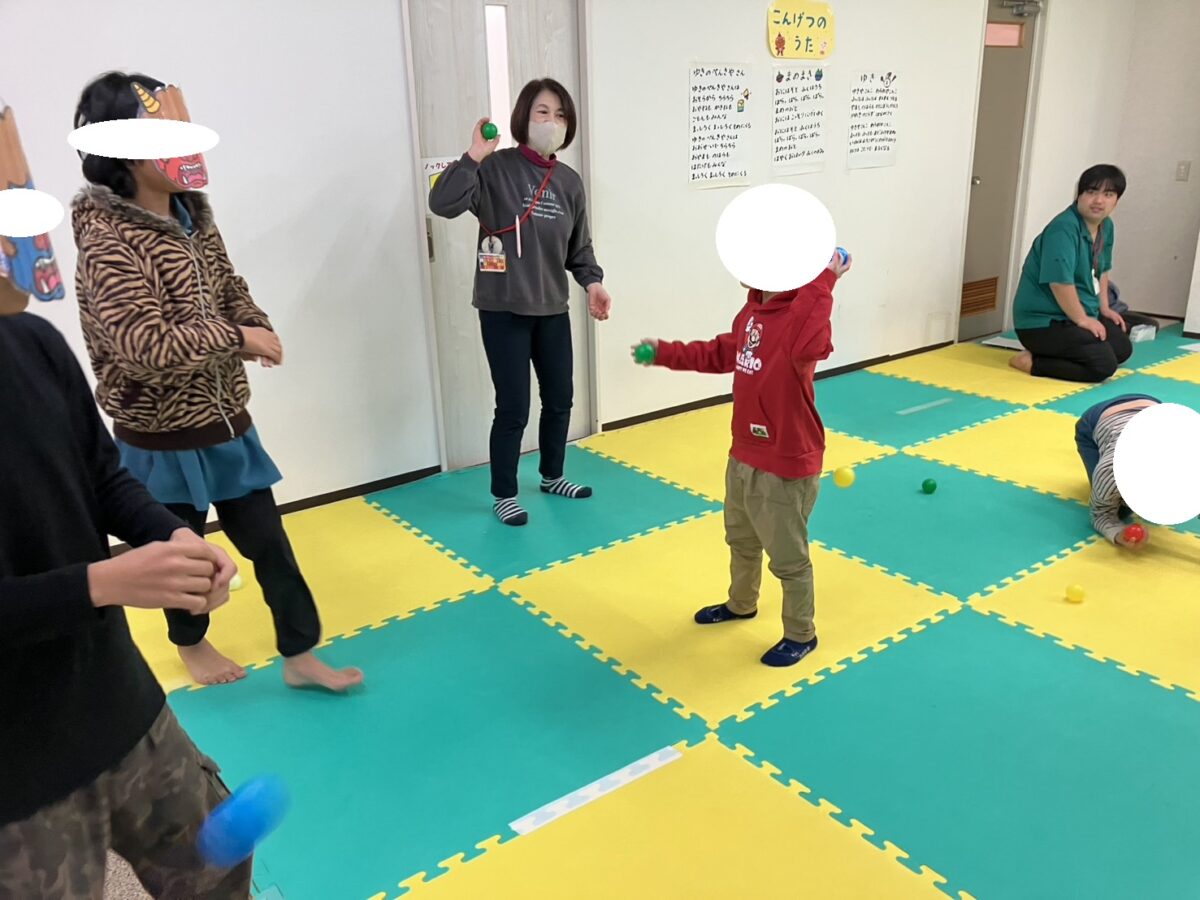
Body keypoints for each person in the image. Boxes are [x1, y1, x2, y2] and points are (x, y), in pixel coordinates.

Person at [70, 71, 362, 691]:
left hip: (226, 424)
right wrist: (236, 338)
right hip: (158, 437)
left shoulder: (192, 214)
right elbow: (143, 346)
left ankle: (300, 653)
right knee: (184, 560)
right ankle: (191, 644)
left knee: (271, 546)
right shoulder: (106, 239)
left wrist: (256, 326)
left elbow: (228, 284)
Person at [0, 195, 252, 895]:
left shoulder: (33, 343)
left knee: (219, 863)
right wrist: (102, 583)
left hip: (120, 703)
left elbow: (103, 476)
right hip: (17, 778)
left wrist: (175, 535)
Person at [635, 251, 852, 667]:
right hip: (744, 454)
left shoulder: (801, 318)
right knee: (741, 540)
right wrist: (665, 353)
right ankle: (741, 604)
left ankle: (801, 634)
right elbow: (721, 353)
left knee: (788, 558)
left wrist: (825, 279)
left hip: (785, 461)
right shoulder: (753, 312)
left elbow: (812, 339)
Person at [429, 77, 613, 527]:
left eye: (560, 115)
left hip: (552, 307)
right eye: (542, 112)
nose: (552, 122)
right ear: (523, 118)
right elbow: (442, 203)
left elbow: (579, 249)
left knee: (561, 399)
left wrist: (592, 284)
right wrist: (474, 155)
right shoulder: (495, 168)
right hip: (503, 308)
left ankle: (552, 475)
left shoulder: (569, 182)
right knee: (513, 407)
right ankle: (504, 494)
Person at [1009, 164, 1131, 382]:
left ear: (1116, 200)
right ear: (1079, 195)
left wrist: (1104, 308)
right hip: (1042, 322)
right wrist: (1082, 319)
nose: (1098, 200)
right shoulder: (1063, 229)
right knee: (1103, 366)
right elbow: (1059, 282)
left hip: (1074, 314)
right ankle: (1030, 362)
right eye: (1091, 192)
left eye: (1108, 194)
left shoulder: (1106, 226)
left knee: (1122, 349)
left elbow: (1103, 269)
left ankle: (1058, 350)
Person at [1074, 394, 1159, 547]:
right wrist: (1119, 534)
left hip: (1151, 405)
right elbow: (1101, 514)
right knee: (1120, 509)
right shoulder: (1111, 473)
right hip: (1094, 421)